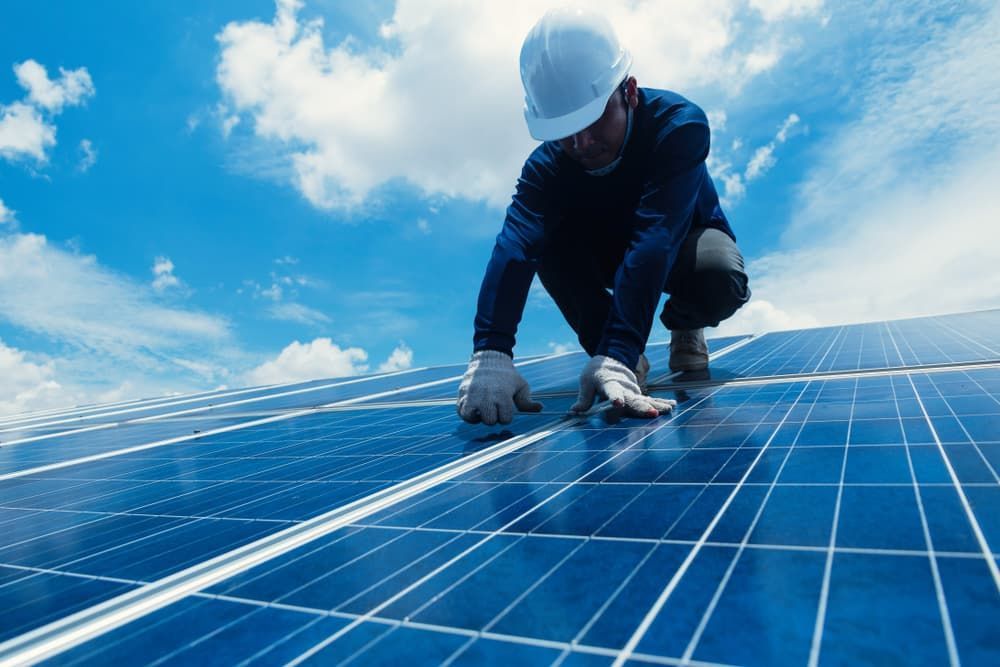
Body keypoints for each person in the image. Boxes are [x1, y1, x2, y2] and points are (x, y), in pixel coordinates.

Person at [457, 7, 750, 426]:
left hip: (681, 244)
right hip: (608, 256)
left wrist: (621, 351)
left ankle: (678, 328)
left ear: (629, 92)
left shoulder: (678, 127)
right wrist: (491, 351)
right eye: (564, 130)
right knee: (546, 245)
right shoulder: (547, 167)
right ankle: (616, 357)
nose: (581, 142)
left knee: (719, 275)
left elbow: (655, 238)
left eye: (593, 120)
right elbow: (515, 245)